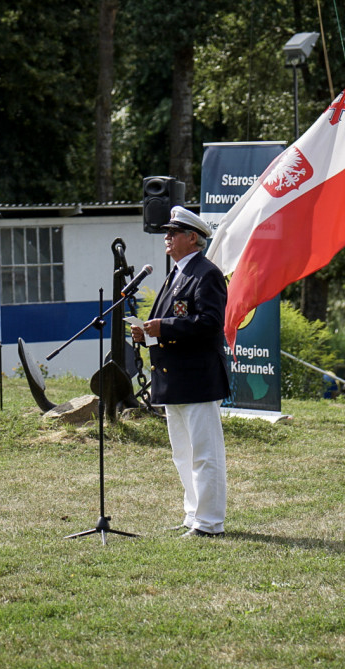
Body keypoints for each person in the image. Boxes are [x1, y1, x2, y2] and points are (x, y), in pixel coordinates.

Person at [131, 206, 230, 538]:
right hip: (174, 378)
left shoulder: (206, 274)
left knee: (205, 454)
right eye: (166, 233)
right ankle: (193, 514)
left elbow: (211, 322)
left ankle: (210, 522)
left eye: (174, 233)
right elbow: (171, 325)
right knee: (183, 454)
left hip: (198, 378)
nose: (167, 238)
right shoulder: (176, 273)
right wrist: (147, 335)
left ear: (193, 238)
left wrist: (164, 326)